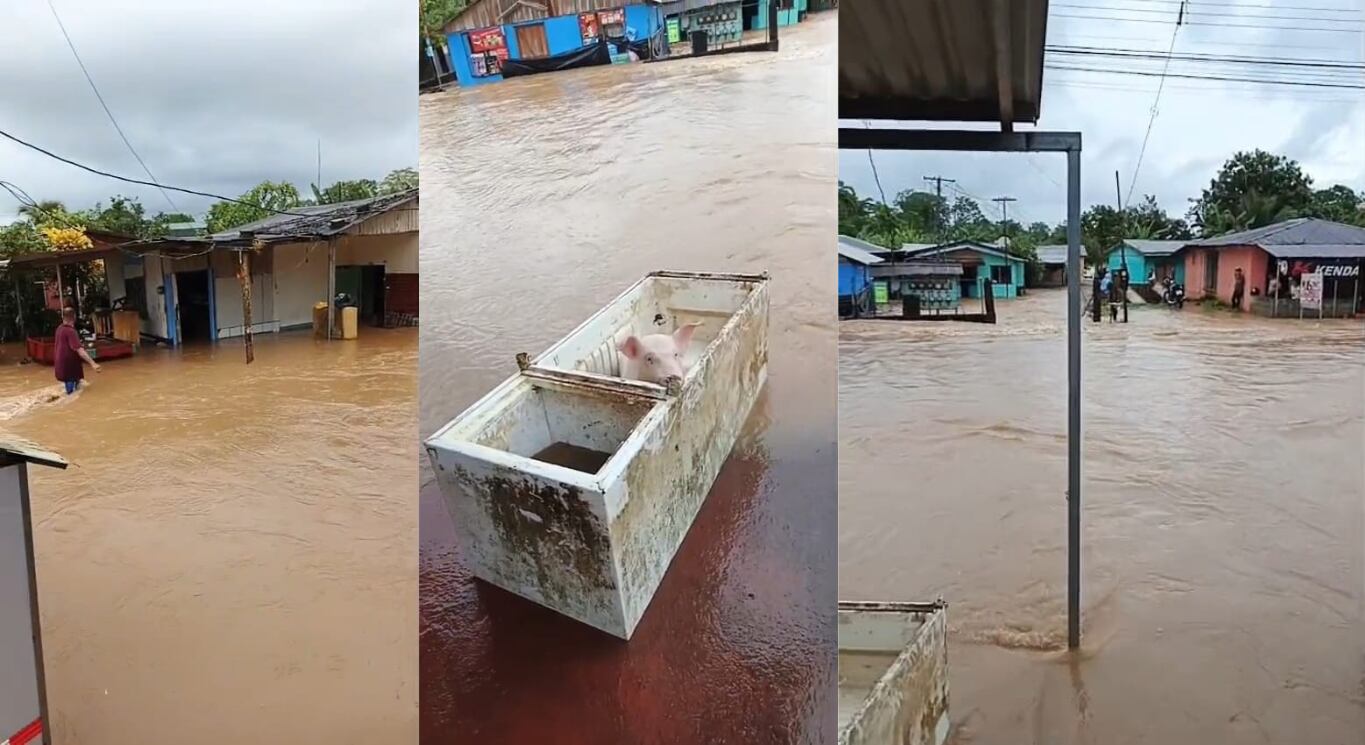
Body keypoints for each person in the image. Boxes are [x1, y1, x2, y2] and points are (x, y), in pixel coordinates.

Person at [54, 306, 100, 394]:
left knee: (76, 389)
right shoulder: (71, 331)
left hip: (61, 364)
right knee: (70, 394)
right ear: (74, 317)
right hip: (69, 366)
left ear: (63, 317)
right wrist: (93, 363)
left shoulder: (59, 329)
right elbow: (80, 350)